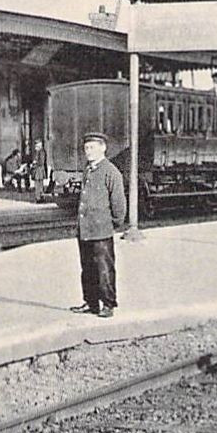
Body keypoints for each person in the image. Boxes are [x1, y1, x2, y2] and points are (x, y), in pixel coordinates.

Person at [71, 131, 127, 319]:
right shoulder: (88, 169)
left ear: (103, 148)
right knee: (87, 268)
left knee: (104, 268)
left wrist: (113, 223)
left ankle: (108, 304)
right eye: (86, 148)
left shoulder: (110, 171)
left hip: (101, 229)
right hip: (85, 229)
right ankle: (91, 302)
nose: (88, 151)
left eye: (92, 147)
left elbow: (118, 202)